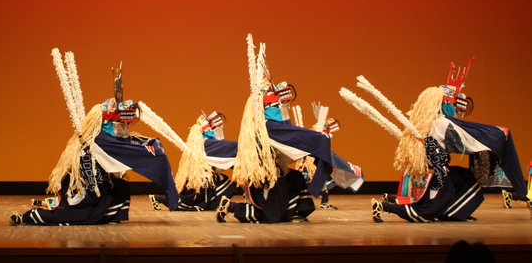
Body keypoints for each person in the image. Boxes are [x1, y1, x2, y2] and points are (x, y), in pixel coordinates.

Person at [341, 58, 527, 223]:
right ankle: (384, 206)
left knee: (467, 180)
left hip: (434, 171)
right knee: (426, 212)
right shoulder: (441, 124)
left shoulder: (425, 122)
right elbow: (467, 138)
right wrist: (497, 134)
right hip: (436, 175)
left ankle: (452, 211)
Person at [10, 52, 183, 225]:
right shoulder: (97, 139)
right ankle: (30, 216)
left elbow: (125, 140)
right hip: (87, 185)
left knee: (120, 187)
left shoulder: (108, 137)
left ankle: (109, 215)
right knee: (74, 212)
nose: (123, 125)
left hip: (100, 182)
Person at [215, 35, 333, 223]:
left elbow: (289, 133)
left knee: (295, 179)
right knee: (269, 217)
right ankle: (232, 207)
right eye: (275, 104)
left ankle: (297, 212)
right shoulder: (263, 127)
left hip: (280, 171)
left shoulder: (277, 127)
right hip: (264, 173)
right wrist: (318, 138)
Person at [150, 112, 238, 211]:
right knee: (190, 200)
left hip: (206, 174)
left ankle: (216, 205)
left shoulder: (204, 141)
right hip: (199, 176)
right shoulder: (204, 142)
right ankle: (159, 198)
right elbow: (220, 144)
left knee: (222, 183)